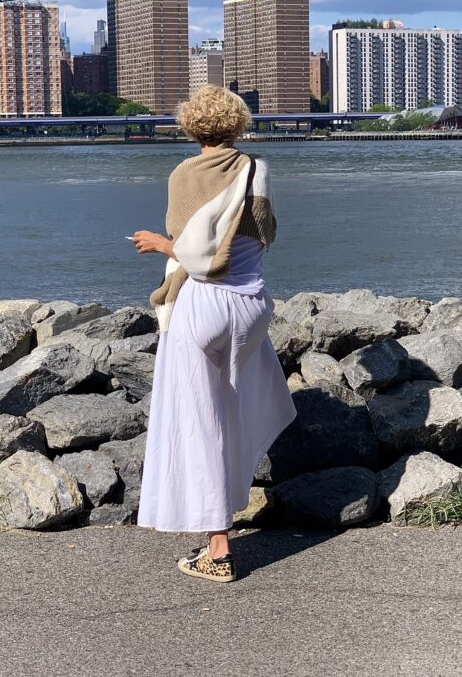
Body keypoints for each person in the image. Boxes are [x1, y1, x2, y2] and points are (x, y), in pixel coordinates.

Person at [130, 85, 297, 583]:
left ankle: (218, 548)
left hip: (202, 304)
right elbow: (266, 233)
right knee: (236, 407)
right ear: (239, 124)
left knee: (200, 421)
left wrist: (161, 244)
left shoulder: (184, 174)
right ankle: (232, 500)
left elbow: (193, 253)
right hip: (250, 307)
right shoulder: (256, 169)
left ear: (191, 127)